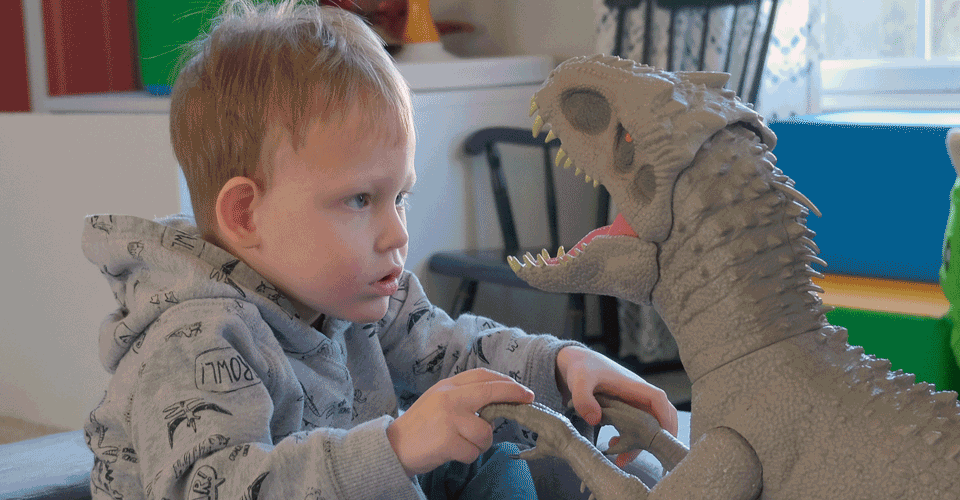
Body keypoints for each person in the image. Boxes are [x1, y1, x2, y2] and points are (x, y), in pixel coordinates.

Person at [80, 1, 678, 498]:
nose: (397, 234)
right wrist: (395, 448)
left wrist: (562, 366)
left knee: (559, 464)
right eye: (360, 199)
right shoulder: (195, 340)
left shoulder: (361, 296)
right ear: (245, 214)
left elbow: (455, 353)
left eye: (402, 198)